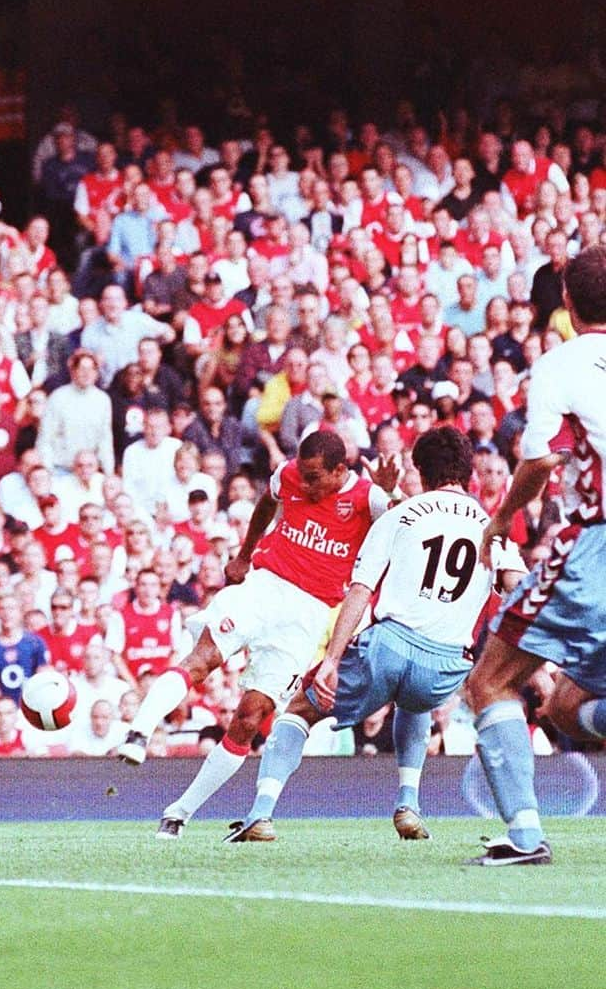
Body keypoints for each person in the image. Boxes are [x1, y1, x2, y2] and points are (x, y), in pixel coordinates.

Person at [224, 428, 525, 843]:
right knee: (415, 700)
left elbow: (360, 590)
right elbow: (518, 587)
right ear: (470, 474)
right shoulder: (493, 524)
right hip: (446, 666)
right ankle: (408, 804)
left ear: (419, 471)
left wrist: (331, 659)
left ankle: (260, 813)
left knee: (298, 708)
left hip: (389, 646)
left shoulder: (403, 514)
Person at [119, 433, 397, 838]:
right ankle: (138, 732)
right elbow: (269, 500)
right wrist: (245, 554)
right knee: (204, 658)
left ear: (340, 471)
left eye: (314, 477)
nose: (303, 485)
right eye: (301, 474)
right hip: (265, 586)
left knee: (251, 716)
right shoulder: (290, 476)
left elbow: (400, 526)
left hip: (308, 615)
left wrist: (389, 492)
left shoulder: (368, 499)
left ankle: (179, 813)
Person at [460, 245, 606, 866]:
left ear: (566, 303)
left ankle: (523, 837)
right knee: (569, 708)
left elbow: (544, 458)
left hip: (596, 539)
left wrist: (500, 517)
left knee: (490, 681)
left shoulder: (560, 364)